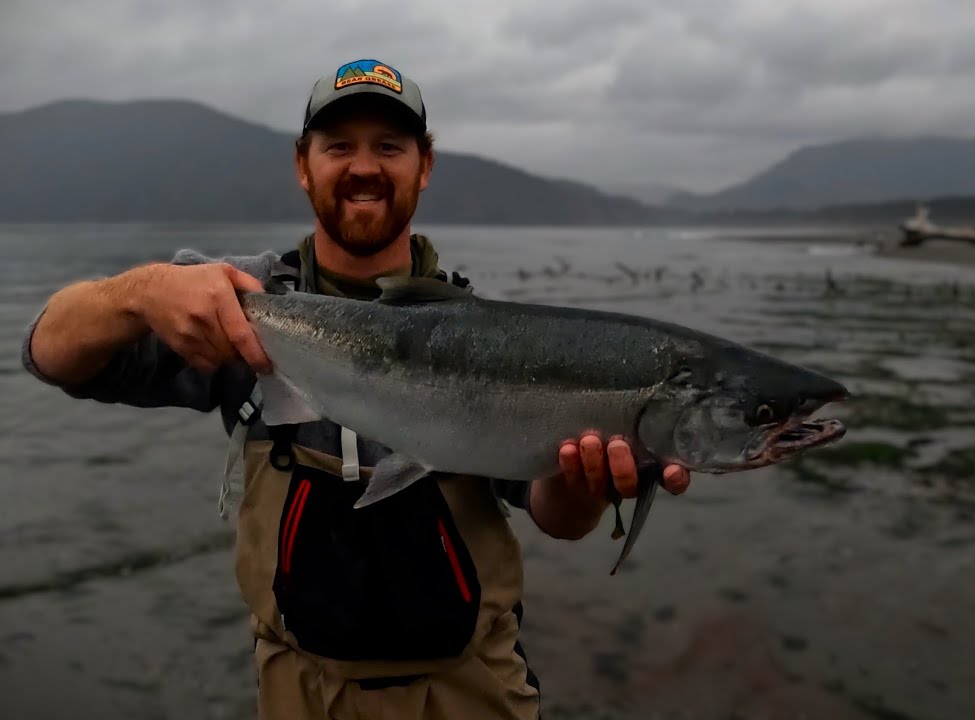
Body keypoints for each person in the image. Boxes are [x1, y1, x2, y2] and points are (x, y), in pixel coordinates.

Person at [21, 58, 692, 719]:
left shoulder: (492, 336)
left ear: (424, 165)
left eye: (389, 146)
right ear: (302, 165)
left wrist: (585, 484)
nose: (364, 165)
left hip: (472, 693)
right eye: (339, 145)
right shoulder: (230, 303)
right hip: (299, 696)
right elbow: (50, 353)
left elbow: (554, 515)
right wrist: (141, 291)